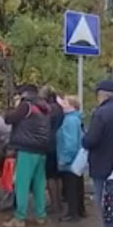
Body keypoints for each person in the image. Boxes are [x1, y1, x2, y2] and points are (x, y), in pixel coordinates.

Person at [82, 80, 113, 227]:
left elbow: (91, 139)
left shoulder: (101, 113)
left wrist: (84, 139)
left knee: (105, 201)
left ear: (102, 94)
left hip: (102, 163)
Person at [3, 84, 51, 227]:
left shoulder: (26, 106)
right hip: (41, 150)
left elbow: (8, 119)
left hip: (26, 149)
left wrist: (16, 105)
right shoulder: (45, 107)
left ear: (23, 94)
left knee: (22, 184)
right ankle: (41, 215)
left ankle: (19, 217)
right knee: (39, 184)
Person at [56, 96, 85, 222]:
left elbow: (70, 142)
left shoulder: (69, 120)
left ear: (72, 106)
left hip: (70, 160)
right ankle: (79, 210)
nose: (63, 105)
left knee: (71, 186)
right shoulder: (76, 119)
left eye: (65, 103)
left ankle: (72, 213)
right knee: (78, 185)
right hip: (77, 158)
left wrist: (65, 159)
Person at [41, 85, 65, 214]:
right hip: (60, 143)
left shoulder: (47, 110)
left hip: (49, 144)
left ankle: (54, 203)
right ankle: (59, 202)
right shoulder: (60, 108)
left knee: (50, 176)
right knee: (58, 175)